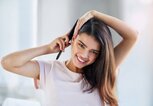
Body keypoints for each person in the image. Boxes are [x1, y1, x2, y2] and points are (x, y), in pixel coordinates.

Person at [1, 10, 138, 106]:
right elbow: (7, 63)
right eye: (81, 45)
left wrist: (94, 14)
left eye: (94, 52)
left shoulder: (103, 72)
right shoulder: (49, 70)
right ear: (73, 38)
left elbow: (133, 36)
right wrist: (48, 48)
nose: (84, 55)